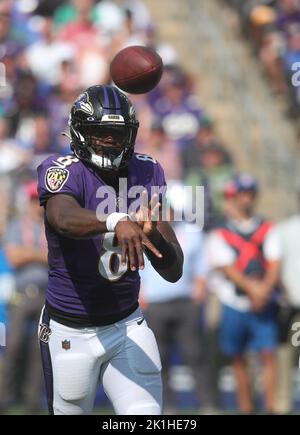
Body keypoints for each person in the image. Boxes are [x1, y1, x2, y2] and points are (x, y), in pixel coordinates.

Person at [37, 84, 183, 415]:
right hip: (69, 326)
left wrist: (154, 239)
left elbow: (174, 270)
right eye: (100, 132)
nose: (110, 141)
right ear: (80, 131)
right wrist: (116, 219)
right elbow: (62, 217)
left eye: (118, 134)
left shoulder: (147, 171)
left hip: (127, 323)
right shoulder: (62, 169)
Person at [206, 174, 281, 414]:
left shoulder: (267, 227)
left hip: (263, 302)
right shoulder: (221, 232)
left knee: (268, 355)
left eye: (251, 193)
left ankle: (270, 407)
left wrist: (263, 291)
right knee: (237, 359)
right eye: (242, 194)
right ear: (233, 197)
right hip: (234, 302)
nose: (247, 198)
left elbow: (275, 262)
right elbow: (227, 267)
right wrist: (255, 290)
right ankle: (246, 408)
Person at [140, 217, 215, 414]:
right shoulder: (141, 230)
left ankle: (207, 404)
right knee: (159, 358)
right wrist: (140, 293)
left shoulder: (192, 232)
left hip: (185, 301)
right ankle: (168, 406)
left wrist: (200, 288)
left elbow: (202, 265)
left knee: (196, 354)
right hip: (155, 302)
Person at [0, 180, 48, 414]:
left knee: (39, 349)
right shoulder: (17, 226)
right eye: (32, 200)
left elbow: (54, 259)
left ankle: (32, 399)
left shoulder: (50, 226)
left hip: (45, 295)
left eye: (38, 200)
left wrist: (29, 253)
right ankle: (6, 397)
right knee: (14, 345)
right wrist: (39, 254)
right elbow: (14, 258)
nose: (35, 205)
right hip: (21, 294)